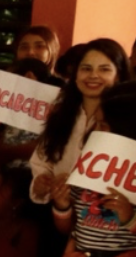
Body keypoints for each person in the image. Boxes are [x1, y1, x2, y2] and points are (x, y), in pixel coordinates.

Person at [47, 82, 136, 257]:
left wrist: (129, 216)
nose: (96, 129)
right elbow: (68, 229)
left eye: (103, 124)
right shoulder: (88, 170)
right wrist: (62, 206)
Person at [29, 39, 131, 205]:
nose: (93, 75)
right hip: (58, 212)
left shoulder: (127, 121)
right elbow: (41, 162)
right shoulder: (61, 115)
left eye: (104, 69)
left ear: (118, 75)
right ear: (75, 74)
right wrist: (41, 183)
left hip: (106, 219)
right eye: (86, 68)